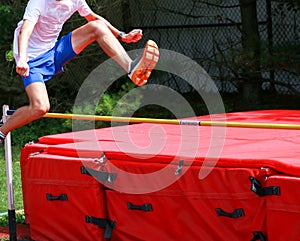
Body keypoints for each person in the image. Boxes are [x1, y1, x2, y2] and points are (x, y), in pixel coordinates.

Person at [0, 0, 159, 144]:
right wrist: (21, 58)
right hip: (31, 59)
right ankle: (2, 131)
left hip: (54, 51)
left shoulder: (75, 0)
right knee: (40, 108)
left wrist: (122, 35)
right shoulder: (38, 2)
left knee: (96, 27)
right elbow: (25, 31)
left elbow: (93, 17)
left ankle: (131, 69)